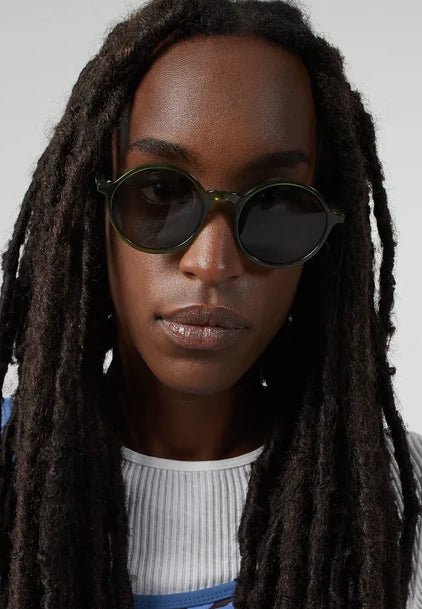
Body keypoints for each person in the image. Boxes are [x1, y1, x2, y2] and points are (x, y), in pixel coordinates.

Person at [0, 0, 420, 608]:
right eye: (160, 191)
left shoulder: (399, 501)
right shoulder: (9, 479)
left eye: (274, 206)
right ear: (91, 213)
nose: (212, 262)